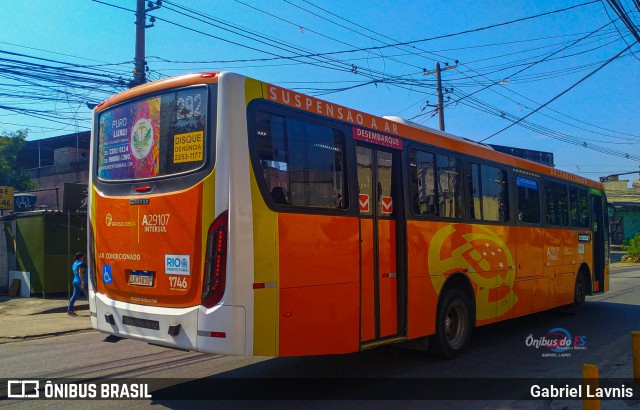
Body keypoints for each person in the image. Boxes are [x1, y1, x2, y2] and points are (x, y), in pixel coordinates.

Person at [67, 252, 88, 316]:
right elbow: (80, 273)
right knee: (89, 296)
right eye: (83, 257)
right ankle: (93, 311)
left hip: (75, 281)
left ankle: (69, 310)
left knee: (74, 296)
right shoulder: (82, 264)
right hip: (81, 282)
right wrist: (83, 281)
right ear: (81, 257)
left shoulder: (74, 264)